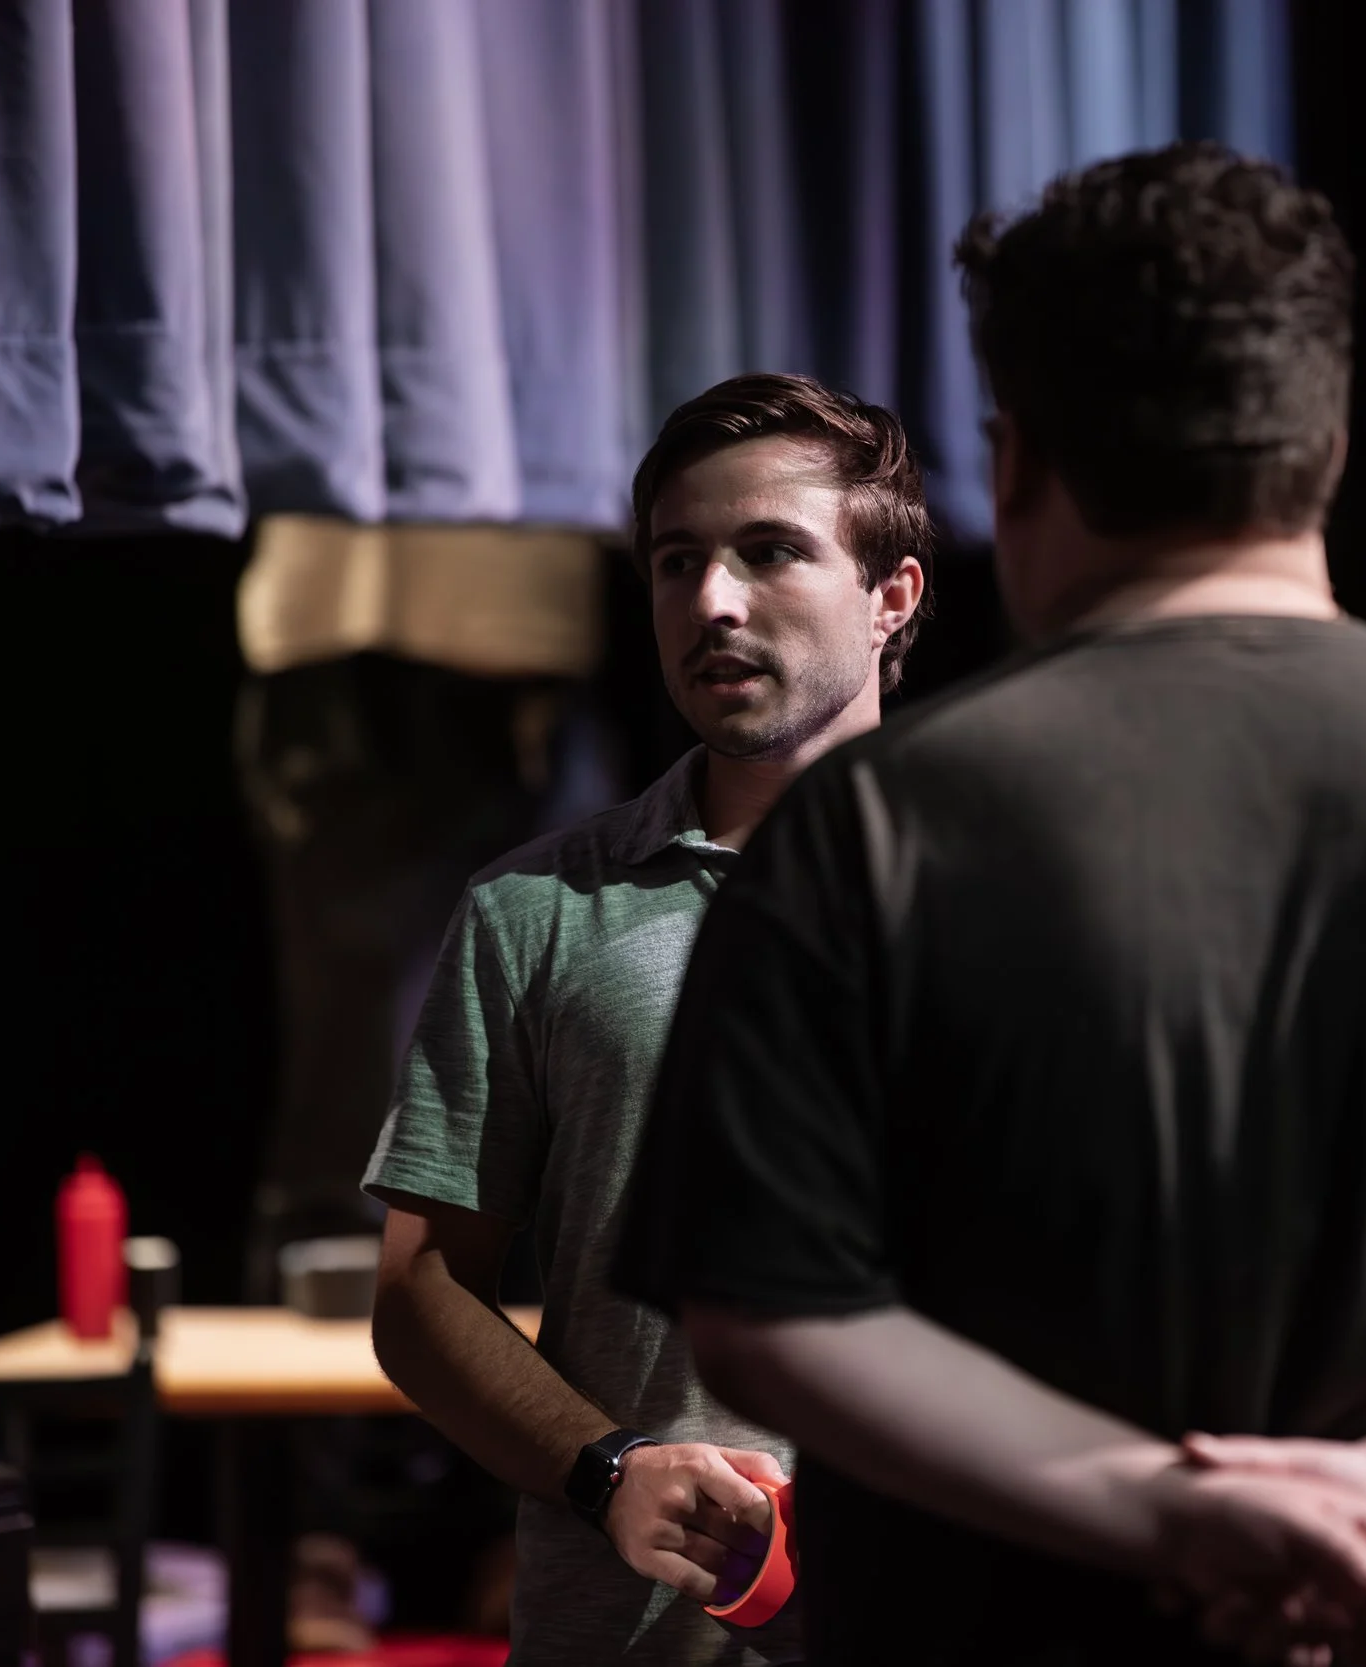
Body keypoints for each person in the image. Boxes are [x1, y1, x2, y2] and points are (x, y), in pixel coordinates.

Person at [613, 142, 1366, 1667]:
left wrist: (1164, 1505)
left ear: (1017, 462)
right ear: (1321, 443)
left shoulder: (863, 838)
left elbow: (760, 1310)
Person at [365, 372, 930, 1665]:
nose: (713, 602)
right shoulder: (535, 910)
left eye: (770, 552)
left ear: (890, 594)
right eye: (680, 562)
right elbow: (421, 1290)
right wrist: (605, 1466)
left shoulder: (1012, 898)